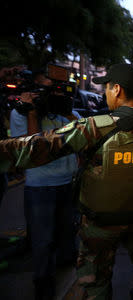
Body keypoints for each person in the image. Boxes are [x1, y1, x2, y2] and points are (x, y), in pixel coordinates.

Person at [0, 63, 133, 300]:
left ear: (117, 90)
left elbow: (37, 148)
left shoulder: (95, 127)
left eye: (107, 88)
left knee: (96, 280)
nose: (105, 94)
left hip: (99, 224)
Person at [9, 70, 81, 299]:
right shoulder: (20, 113)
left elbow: (79, 143)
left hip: (66, 184)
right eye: (46, 89)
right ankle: (43, 283)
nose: (52, 94)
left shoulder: (66, 113)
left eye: (56, 88)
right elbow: (35, 150)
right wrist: (32, 113)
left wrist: (67, 112)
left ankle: (64, 261)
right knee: (43, 241)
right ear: (32, 92)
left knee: (65, 232)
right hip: (40, 188)